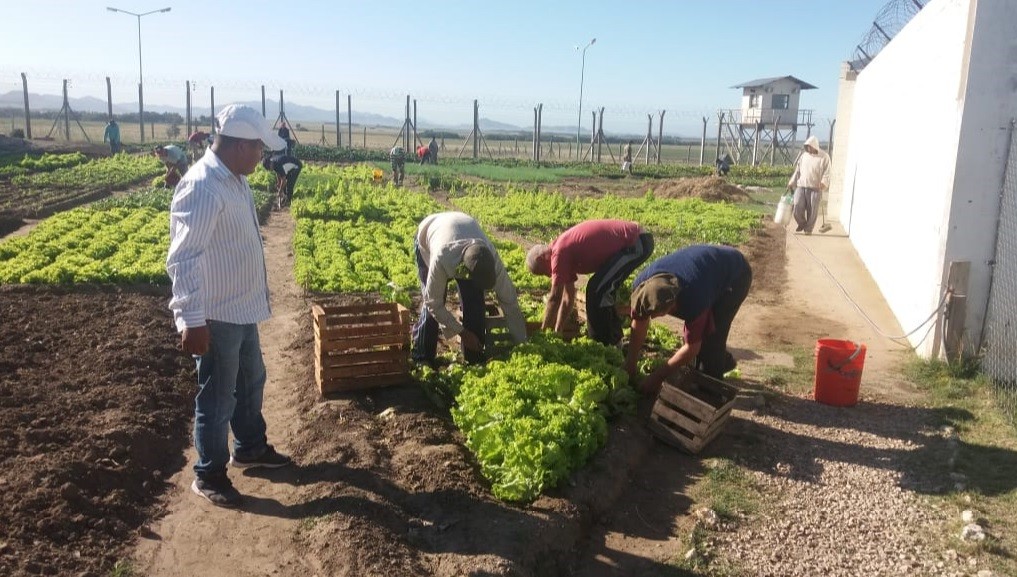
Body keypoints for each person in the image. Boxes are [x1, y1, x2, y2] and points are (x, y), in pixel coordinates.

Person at [165, 103, 292, 508]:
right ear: (239, 145)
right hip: (216, 313)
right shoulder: (202, 185)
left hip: (242, 308)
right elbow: (184, 257)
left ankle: (250, 446)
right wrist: (190, 318)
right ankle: (209, 473)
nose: (262, 156)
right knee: (218, 396)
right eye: (258, 148)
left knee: (251, 380)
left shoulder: (233, 178)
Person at [624, 244, 752, 393]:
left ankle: (711, 391)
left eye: (656, 315)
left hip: (736, 275)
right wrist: (630, 362)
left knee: (712, 338)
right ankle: (723, 362)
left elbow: (692, 347)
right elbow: (639, 322)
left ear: (672, 306)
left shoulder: (694, 299)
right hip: (707, 267)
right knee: (705, 345)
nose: (651, 318)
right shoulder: (641, 288)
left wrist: (657, 377)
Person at [413, 211, 527, 367]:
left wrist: (522, 344)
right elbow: (434, 303)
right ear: (464, 271)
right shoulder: (441, 257)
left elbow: (510, 302)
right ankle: (423, 356)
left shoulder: (490, 259)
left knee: (474, 302)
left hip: (462, 229)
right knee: (432, 302)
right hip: (429, 234)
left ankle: (473, 358)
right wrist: (463, 333)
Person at [525, 219, 654, 346]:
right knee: (599, 289)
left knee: (597, 290)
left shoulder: (558, 253)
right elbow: (567, 298)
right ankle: (614, 340)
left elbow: (554, 297)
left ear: (541, 258)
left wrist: (544, 333)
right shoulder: (562, 254)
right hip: (634, 241)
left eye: (542, 272)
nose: (548, 275)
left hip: (635, 242)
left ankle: (606, 344)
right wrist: (558, 331)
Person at [787, 135, 831, 235]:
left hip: (816, 188)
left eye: (809, 146)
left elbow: (827, 172)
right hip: (802, 186)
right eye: (807, 146)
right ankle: (802, 223)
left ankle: (808, 229)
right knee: (797, 205)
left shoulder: (824, 157)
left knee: (813, 210)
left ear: (814, 146)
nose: (808, 149)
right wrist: (792, 182)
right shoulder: (804, 156)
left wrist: (824, 183)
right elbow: (797, 171)